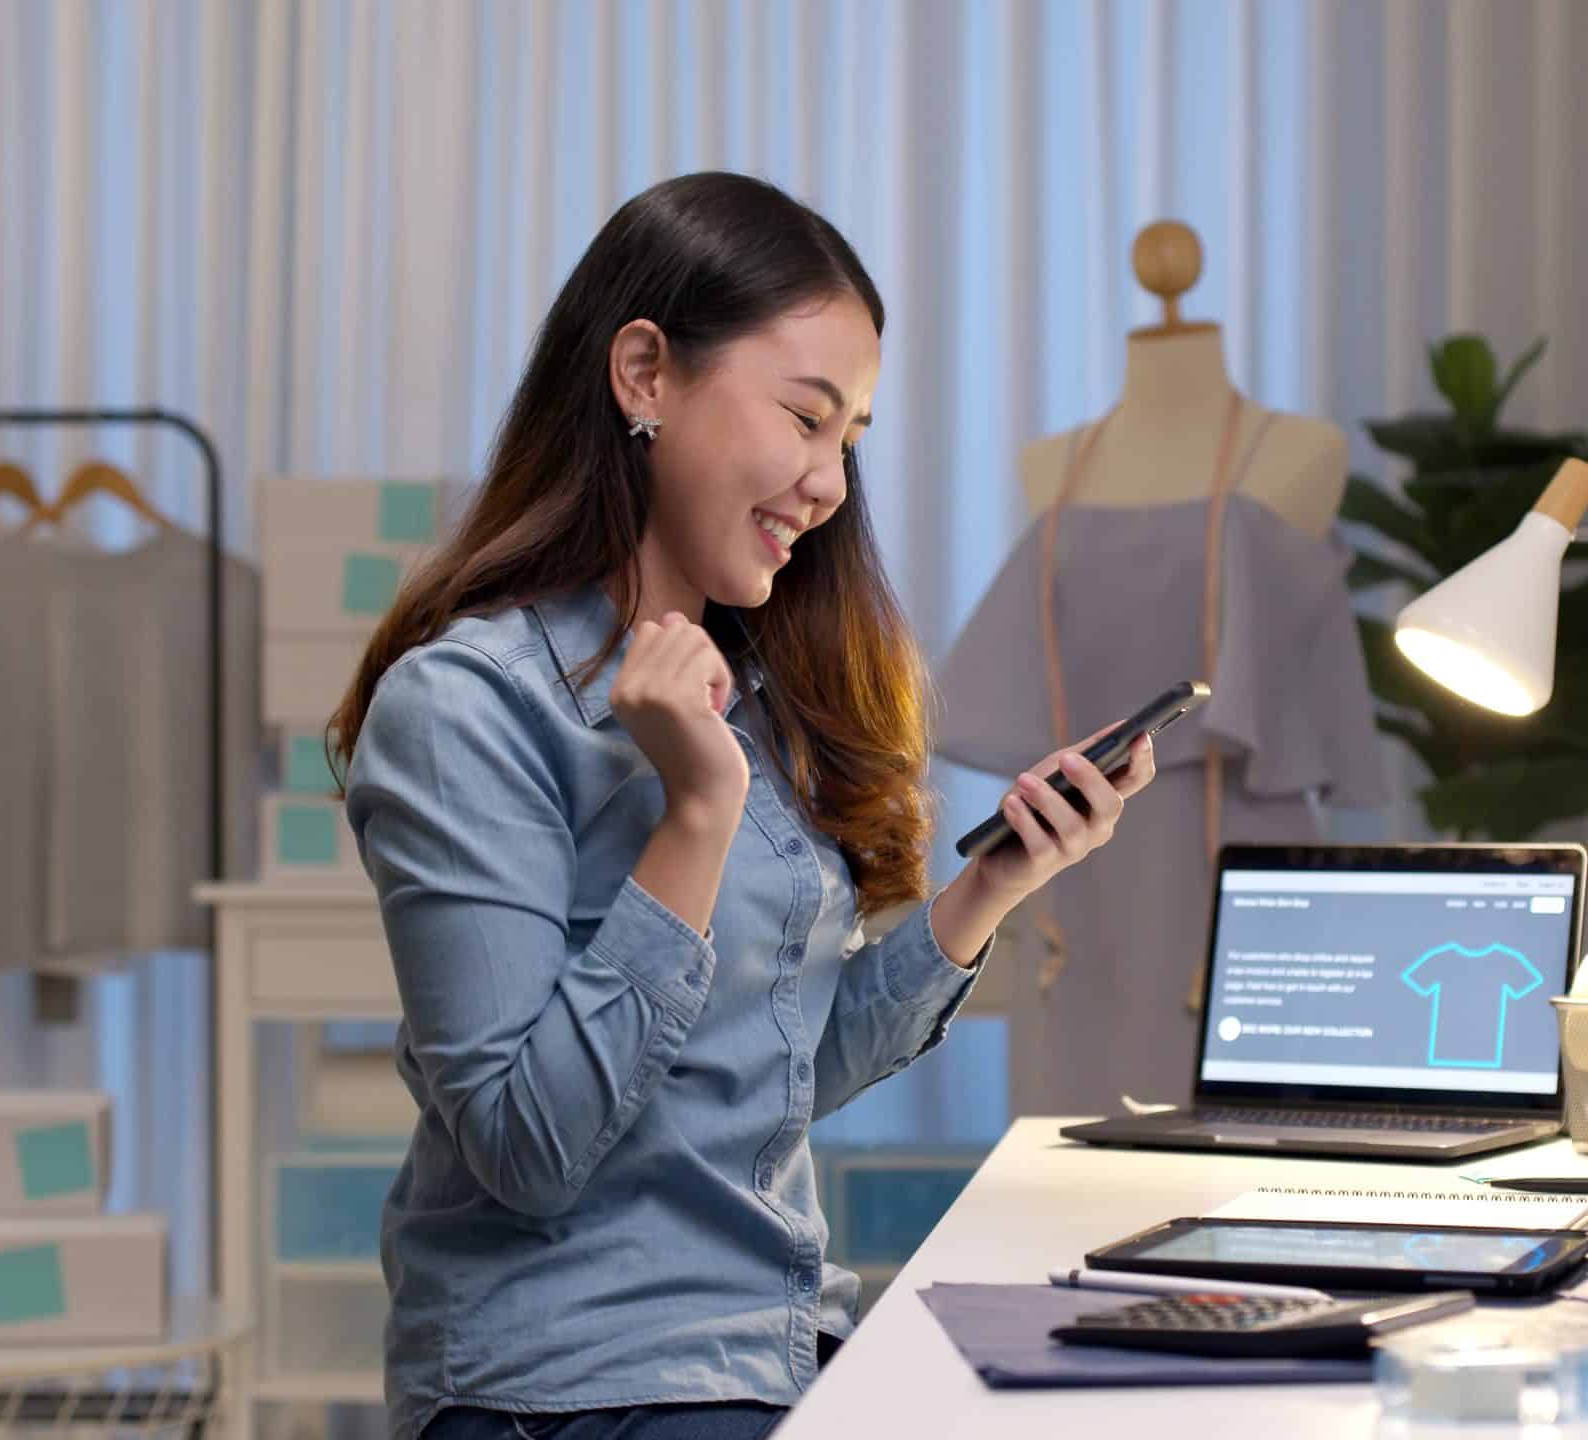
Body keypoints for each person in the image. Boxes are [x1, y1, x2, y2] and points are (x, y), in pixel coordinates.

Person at [327, 171, 1157, 1440]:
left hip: (767, 1345)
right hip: (569, 1386)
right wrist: (694, 814)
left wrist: (993, 884)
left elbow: (771, 1074)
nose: (827, 484)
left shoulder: (751, 692)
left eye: (853, 440)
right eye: (805, 418)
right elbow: (526, 1148)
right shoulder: (466, 710)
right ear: (644, 373)